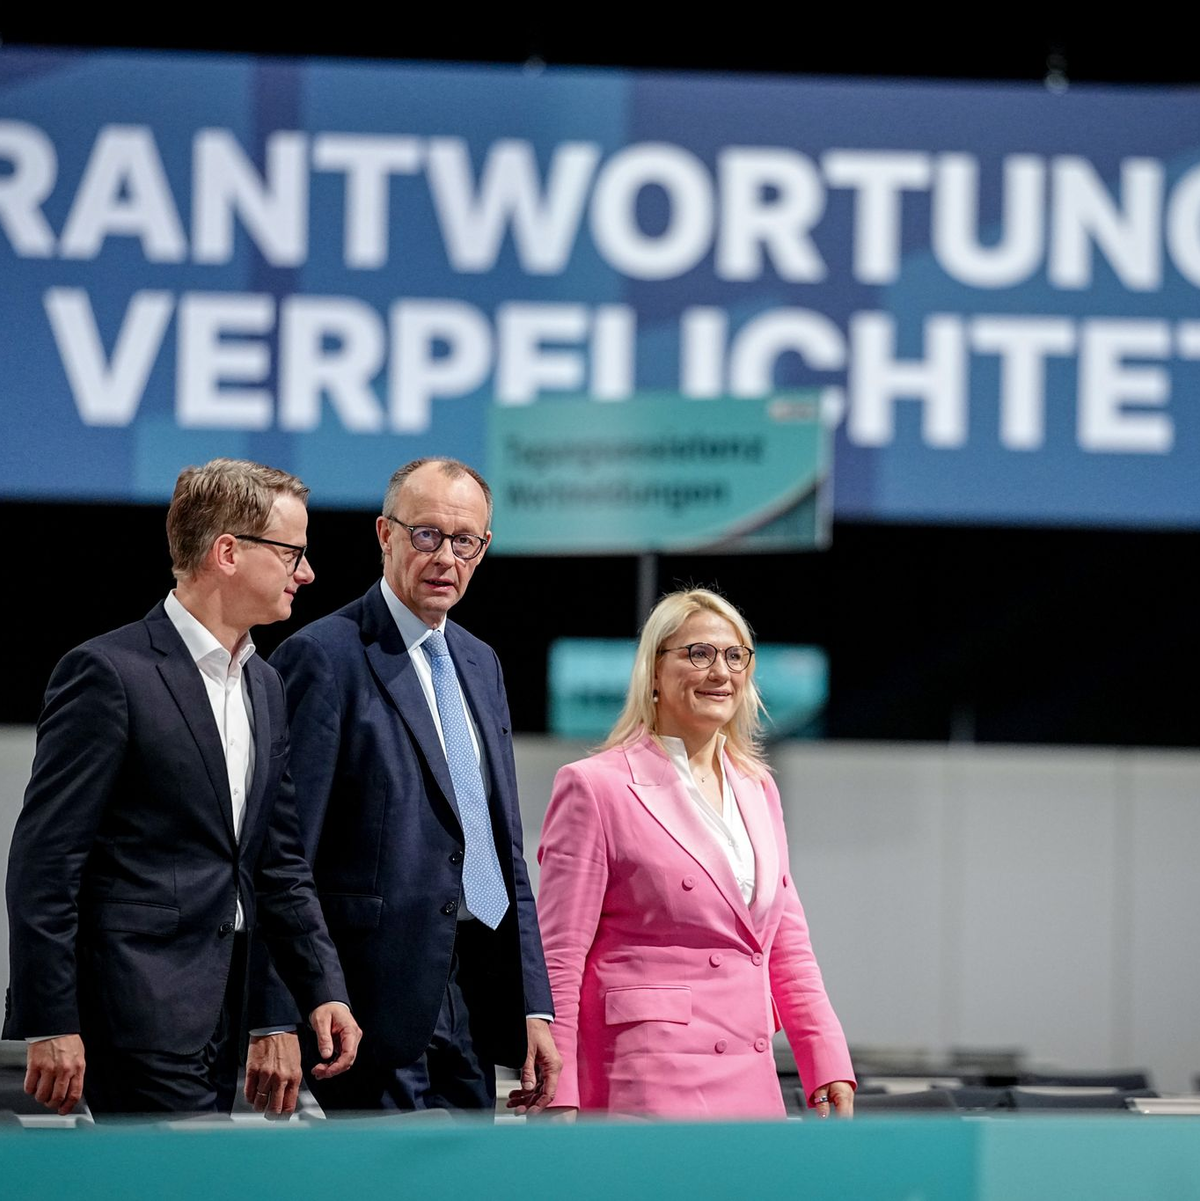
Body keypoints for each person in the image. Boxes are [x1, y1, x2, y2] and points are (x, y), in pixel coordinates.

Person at [3, 459, 361, 1118]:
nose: (306, 573)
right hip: (131, 1018)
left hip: (225, 1019)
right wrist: (49, 1017)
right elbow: (45, 863)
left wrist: (321, 988)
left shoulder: (266, 685)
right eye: (292, 552)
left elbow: (277, 863)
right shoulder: (108, 673)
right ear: (227, 551)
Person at [265, 457, 559, 1115]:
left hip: (474, 1007)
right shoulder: (323, 657)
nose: (446, 557)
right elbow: (285, 858)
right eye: (427, 534)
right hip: (364, 1014)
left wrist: (533, 1004)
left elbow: (501, 851)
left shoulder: (481, 663)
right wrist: (276, 1017)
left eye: (466, 541)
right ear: (384, 534)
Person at [535, 588, 855, 1120]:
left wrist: (826, 1061)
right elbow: (558, 957)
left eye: (735, 656)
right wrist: (559, 1089)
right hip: (645, 1082)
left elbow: (786, 945)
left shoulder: (758, 789)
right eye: (698, 653)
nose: (720, 671)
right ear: (654, 673)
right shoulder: (596, 788)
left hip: (749, 1082)